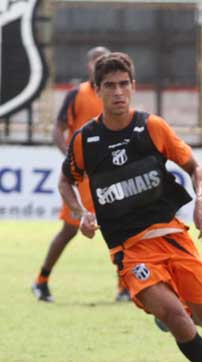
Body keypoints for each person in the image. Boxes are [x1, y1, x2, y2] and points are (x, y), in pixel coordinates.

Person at [58, 52, 202, 362]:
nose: (118, 92)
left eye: (124, 85)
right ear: (97, 90)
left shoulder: (152, 128)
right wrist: (80, 212)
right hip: (131, 252)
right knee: (177, 317)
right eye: (110, 86)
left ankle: (175, 313)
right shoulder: (86, 141)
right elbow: (65, 181)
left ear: (132, 87)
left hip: (172, 237)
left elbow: (197, 169)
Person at [33, 46, 130, 303]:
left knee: (122, 227)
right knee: (69, 230)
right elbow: (59, 128)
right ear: (90, 67)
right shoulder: (77, 94)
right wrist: (69, 155)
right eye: (97, 62)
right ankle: (41, 280)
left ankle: (125, 287)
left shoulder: (117, 93)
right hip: (82, 176)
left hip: (111, 174)